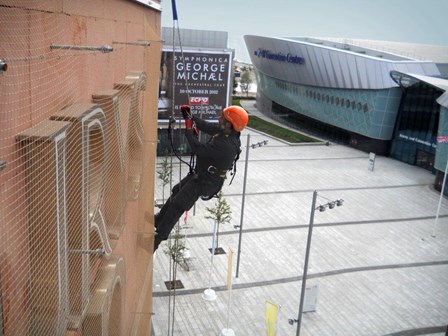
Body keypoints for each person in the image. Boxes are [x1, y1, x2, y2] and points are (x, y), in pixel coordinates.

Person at [153, 104, 249, 251]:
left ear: (228, 124)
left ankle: (157, 239)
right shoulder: (226, 132)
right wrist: (191, 118)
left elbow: (198, 149)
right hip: (202, 175)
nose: (219, 119)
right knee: (176, 191)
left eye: (222, 118)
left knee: (178, 205)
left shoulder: (227, 145)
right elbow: (207, 127)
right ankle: (159, 219)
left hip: (206, 181)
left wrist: (188, 130)